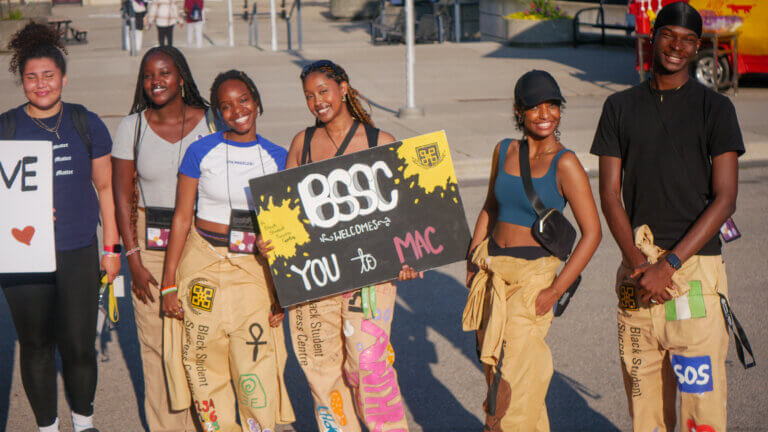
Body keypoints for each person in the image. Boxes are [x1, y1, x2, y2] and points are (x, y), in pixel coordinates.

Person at [590, 3, 744, 431]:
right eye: (668, 35)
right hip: (632, 274)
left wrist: (668, 264)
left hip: (694, 272)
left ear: (698, 47)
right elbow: (609, 195)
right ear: (652, 36)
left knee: (702, 406)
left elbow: (725, 199)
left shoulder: (716, 109)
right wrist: (640, 266)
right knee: (643, 408)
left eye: (688, 39)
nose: (677, 46)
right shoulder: (618, 107)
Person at [276, 60, 420, 432]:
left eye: (323, 91)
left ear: (343, 88)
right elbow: (284, 214)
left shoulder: (379, 142)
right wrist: (271, 240)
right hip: (316, 283)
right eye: (309, 95)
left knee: (369, 368)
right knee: (322, 375)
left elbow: (404, 215)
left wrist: (408, 257)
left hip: (370, 281)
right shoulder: (302, 143)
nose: (317, 101)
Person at [463, 70, 601, 431]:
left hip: (533, 278)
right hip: (492, 268)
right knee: (494, 372)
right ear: (518, 110)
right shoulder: (505, 150)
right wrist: (473, 259)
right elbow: (490, 206)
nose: (545, 114)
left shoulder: (565, 163)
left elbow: (592, 233)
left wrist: (555, 290)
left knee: (515, 382)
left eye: (553, 105)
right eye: (535, 106)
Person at [160, 70, 295, 432]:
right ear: (218, 113)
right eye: (226, 106)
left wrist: (283, 291)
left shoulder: (279, 157)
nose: (237, 110)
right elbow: (181, 219)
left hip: (252, 269)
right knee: (202, 363)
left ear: (256, 101)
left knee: (256, 366)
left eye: (243, 100)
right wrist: (168, 283)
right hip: (202, 263)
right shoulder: (200, 152)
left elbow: (287, 232)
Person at [0, 23, 119, 432]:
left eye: (48, 75)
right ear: (22, 82)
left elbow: (105, 190)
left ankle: (83, 422)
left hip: (77, 249)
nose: (41, 84)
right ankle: (47, 427)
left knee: (79, 346)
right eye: (31, 77)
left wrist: (112, 249)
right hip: (22, 258)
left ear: (63, 78)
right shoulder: (6, 128)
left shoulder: (86, 123)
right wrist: (22, 214)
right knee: (34, 346)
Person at [111, 46, 217, 432]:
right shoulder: (132, 127)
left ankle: (212, 423)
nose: (156, 81)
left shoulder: (213, 121)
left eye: (164, 73)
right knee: (156, 348)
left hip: (204, 245)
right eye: (148, 75)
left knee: (204, 343)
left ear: (182, 77)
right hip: (151, 249)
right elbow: (122, 197)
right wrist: (133, 258)